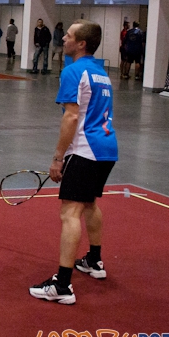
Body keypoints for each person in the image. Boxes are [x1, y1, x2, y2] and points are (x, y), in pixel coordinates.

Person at [29, 19, 118, 305]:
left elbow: (71, 116)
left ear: (81, 44)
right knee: (90, 203)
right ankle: (94, 260)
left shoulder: (73, 71)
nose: (63, 39)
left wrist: (58, 157)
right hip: (107, 148)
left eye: (68, 36)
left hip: (85, 150)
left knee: (70, 213)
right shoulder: (101, 73)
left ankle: (62, 285)